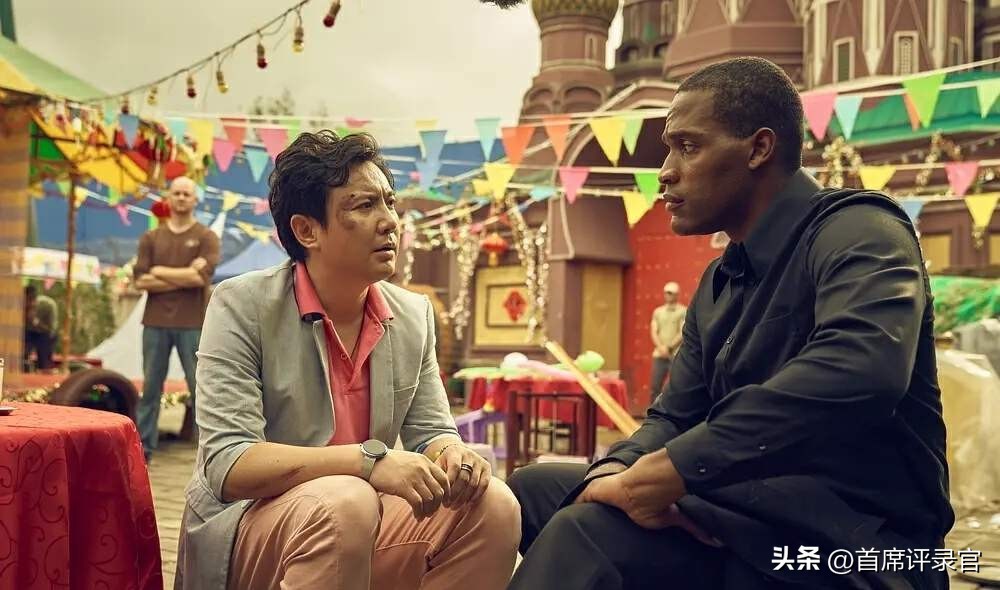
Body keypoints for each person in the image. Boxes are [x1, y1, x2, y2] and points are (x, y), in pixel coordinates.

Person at [508, 57, 952, 589]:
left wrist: (674, 471)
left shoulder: (861, 229)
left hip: (852, 544)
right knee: (534, 490)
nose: (665, 171)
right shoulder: (719, 281)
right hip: (742, 517)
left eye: (688, 147)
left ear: (758, 149)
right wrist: (618, 472)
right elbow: (674, 415)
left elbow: (861, 367)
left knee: (585, 531)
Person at [174, 131, 520, 590]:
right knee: (345, 502)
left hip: (359, 518)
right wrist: (367, 462)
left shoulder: (412, 315)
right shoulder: (241, 304)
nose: (390, 221)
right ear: (307, 230)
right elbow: (229, 463)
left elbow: (432, 432)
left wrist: (452, 455)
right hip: (252, 525)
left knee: (493, 504)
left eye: (390, 202)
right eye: (364, 206)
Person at [133, 176, 220, 462]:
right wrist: (185, 274)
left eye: (187, 194)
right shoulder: (150, 238)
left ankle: (209, 453)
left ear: (195, 200)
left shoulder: (206, 237)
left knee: (200, 389)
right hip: (154, 323)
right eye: (177, 193)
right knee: (150, 389)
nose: (181, 198)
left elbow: (201, 279)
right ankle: (143, 450)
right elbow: (140, 281)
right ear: (168, 198)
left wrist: (159, 271)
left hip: (192, 324)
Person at [649, 281, 685, 397]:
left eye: (671, 293)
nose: (668, 295)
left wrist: (669, 347)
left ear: (677, 295)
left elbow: (682, 332)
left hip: (675, 354)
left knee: (677, 386)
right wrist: (661, 348)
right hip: (659, 354)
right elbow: (654, 331)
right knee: (655, 386)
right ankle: (653, 408)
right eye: (666, 293)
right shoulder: (658, 312)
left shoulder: (683, 311)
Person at [23, 285, 57, 371]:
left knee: (44, 357)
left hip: (45, 335)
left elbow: (50, 329)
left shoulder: (48, 305)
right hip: (28, 333)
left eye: (29, 300)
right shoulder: (20, 306)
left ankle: (45, 368)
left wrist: (35, 321)